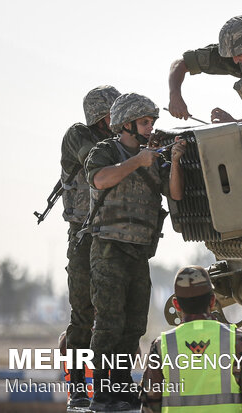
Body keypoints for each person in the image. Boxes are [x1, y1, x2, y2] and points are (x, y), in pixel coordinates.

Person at [83, 93, 186, 411]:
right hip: (109, 249)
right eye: (144, 122)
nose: (150, 127)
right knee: (109, 323)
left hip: (139, 252)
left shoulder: (151, 154)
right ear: (126, 124)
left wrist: (176, 160)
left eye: (152, 122)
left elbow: (175, 193)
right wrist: (137, 162)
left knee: (134, 325)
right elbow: (100, 180)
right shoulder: (105, 151)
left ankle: (121, 383)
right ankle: (101, 389)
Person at [60, 85, 120, 409]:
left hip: (113, 235)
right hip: (83, 235)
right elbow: (92, 163)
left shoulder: (123, 141)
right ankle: (78, 387)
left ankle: (108, 387)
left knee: (111, 315)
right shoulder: (78, 136)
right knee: (83, 313)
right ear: (99, 115)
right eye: (113, 113)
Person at [140, 265, 242, 413]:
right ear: (213, 301)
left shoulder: (162, 346)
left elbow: (150, 406)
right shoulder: (237, 340)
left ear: (176, 304)